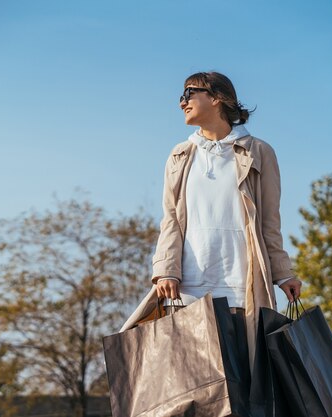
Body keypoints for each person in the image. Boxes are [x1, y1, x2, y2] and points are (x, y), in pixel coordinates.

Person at [121, 71, 302, 369]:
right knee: (192, 385)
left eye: (189, 93)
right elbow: (171, 220)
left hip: (242, 286)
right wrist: (167, 270)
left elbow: (269, 221)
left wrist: (283, 273)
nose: (182, 102)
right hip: (188, 288)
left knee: (243, 388)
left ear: (217, 98)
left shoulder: (258, 152)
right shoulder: (179, 155)